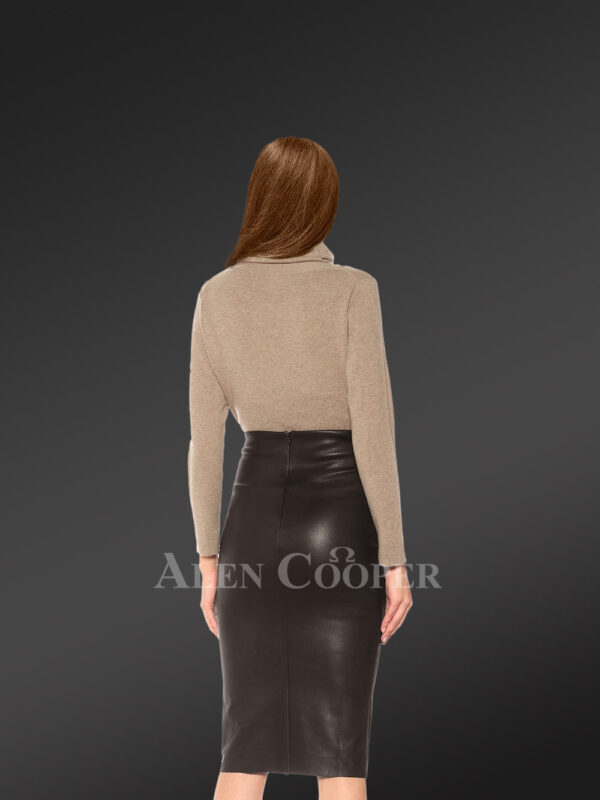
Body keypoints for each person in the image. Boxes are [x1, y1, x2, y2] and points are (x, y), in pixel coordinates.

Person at [188, 136, 412, 800]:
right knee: (340, 757)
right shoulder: (354, 291)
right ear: (324, 205)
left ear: (259, 199)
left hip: (252, 523)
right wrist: (395, 561)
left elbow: (204, 443)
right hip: (340, 522)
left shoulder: (216, 296)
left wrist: (207, 562)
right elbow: (375, 431)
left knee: (242, 750)